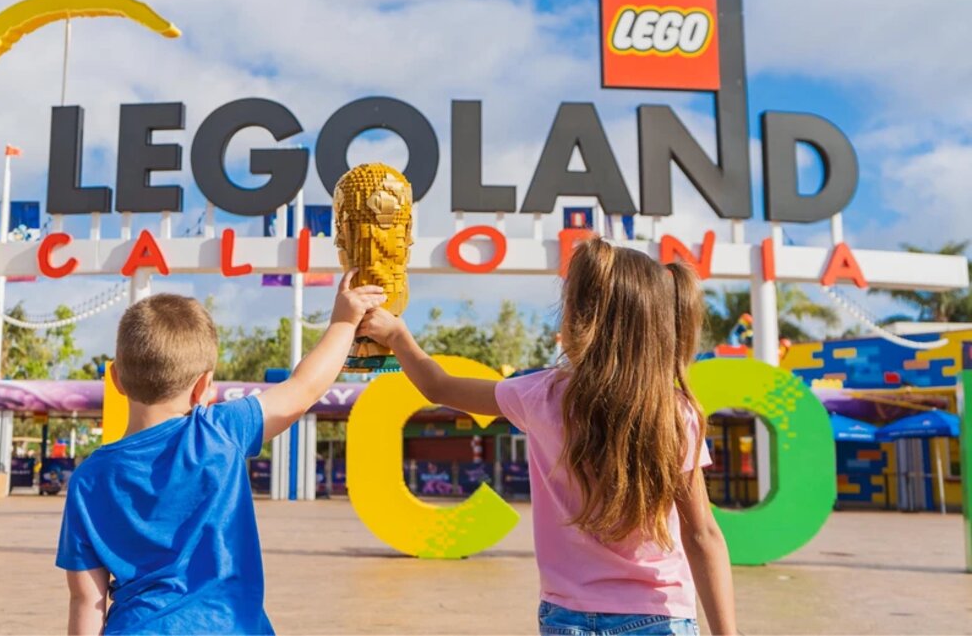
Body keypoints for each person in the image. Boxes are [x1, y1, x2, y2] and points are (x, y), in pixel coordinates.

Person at [360, 238, 736, 636]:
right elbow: (702, 534)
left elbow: (440, 387)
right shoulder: (676, 414)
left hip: (567, 617)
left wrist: (398, 335)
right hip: (661, 616)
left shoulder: (541, 395)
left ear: (581, 319)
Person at [57, 271, 386, 635]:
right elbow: (303, 389)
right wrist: (344, 321)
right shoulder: (221, 432)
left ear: (116, 379)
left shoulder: (88, 479)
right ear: (203, 387)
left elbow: (87, 600)